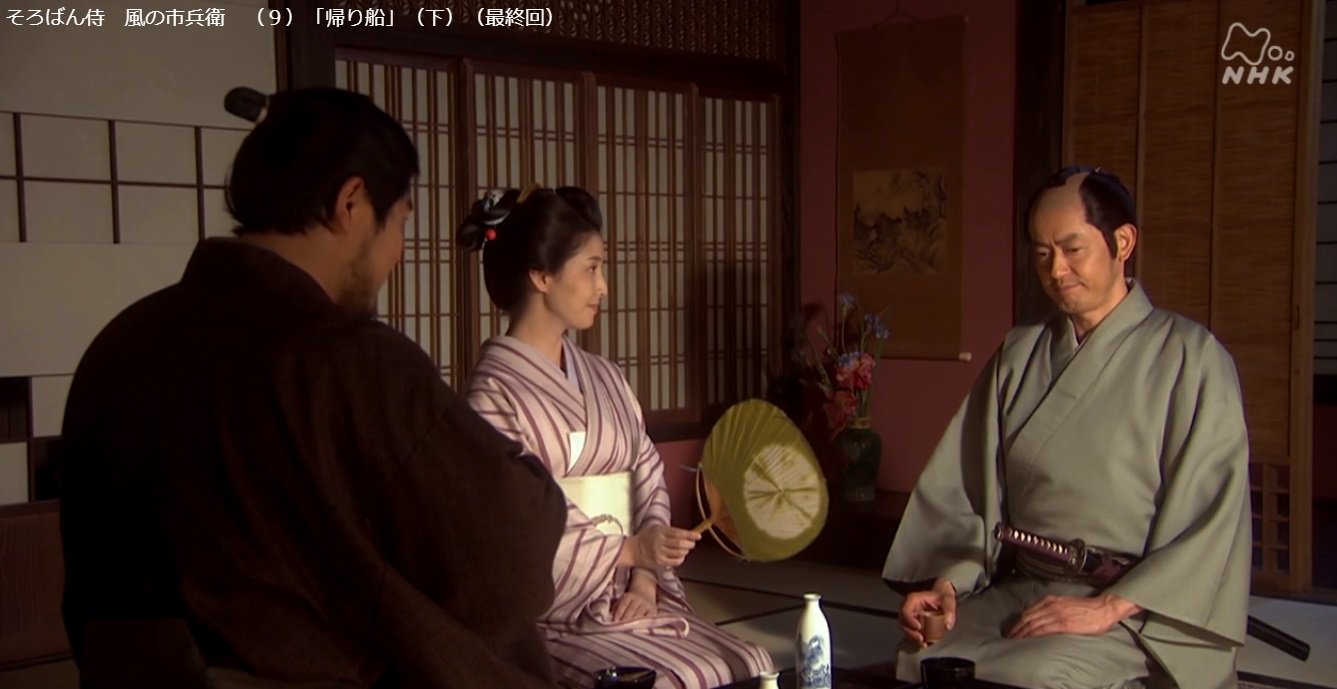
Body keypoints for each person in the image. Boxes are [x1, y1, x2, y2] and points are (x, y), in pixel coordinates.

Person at [59, 88, 567, 689]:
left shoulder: (121, 342)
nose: (399, 252)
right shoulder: (348, 360)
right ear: (351, 203)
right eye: (401, 221)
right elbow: (508, 564)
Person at [883, 166, 1251, 689]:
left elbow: (1211, 521)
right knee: (925, 657)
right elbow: (969, 492)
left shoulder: (1192, 357)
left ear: (1122, 242)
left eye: (1072, 249)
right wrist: (946, 585)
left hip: (1134, 606)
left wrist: (1108, 607)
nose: (1056, 270)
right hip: (1025, 588)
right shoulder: (1019, 353)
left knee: (1037, 674)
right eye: (1041, 253)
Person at [459, 186, 774, 689]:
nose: (603, 287)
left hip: (634, 596)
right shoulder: (492, 396)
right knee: (664, 681)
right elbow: (518, 524)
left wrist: (645, 579)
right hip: (550, 616)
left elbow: (647, 477)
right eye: (591, 269)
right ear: (541, 276)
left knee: (752, 662)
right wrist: (629, 552)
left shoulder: (606, 377)